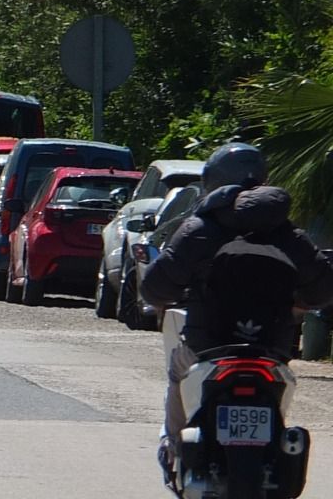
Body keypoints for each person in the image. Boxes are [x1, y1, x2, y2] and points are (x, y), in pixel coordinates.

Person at [141, 142, 333, 490]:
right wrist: (297, 300)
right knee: (278, 395)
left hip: (208, 345)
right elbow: (322, 290)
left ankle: (172, 450)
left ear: (213, 181)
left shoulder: (199, 228)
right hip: (270, 348)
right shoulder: (288, 233)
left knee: (176, 373)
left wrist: (165, 296)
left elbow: (155, 287)